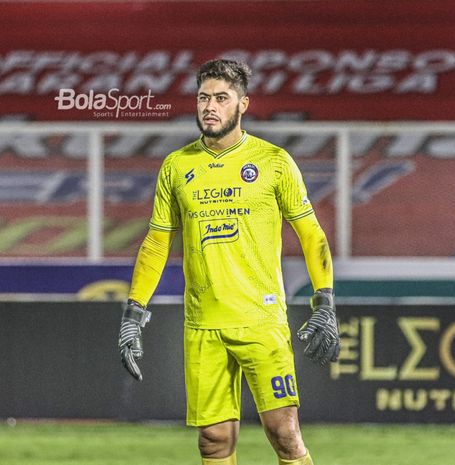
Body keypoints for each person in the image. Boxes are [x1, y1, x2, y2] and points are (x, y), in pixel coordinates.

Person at [118, 59, 340, 465]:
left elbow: (311, 234)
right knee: (213, 441)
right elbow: (156, 242)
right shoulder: (177, 166)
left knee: (285, 433)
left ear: (242, 105)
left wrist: (324, 302)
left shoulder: (274, 161)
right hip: (203, 324)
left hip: (261, 321)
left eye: (222, 98)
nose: (210, 107)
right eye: (204, 97)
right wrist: (134, 312)